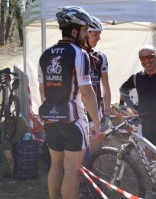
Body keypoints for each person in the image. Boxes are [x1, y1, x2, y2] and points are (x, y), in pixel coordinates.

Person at [38, 7, 102, 199]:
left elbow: (42, 91)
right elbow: (87, 92)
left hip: (50, 119)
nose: (86, 35)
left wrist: (50, 113)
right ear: (74, 31)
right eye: (84, 30)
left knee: (55, 165)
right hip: (74, 121)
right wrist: (97, 124)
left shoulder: (45, 54)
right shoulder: (79, 53)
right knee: (71, 170)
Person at [120, 45, 156, 149]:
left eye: (150, 57)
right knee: (148, 155)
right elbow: (123, 90)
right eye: (143, 58)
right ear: (140, 60)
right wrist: (131, 106)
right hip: (144, 123)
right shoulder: (137, 77)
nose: (147, 60)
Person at [82, 16, 111, 154]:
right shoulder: (75, 55)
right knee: (78, 154)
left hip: (96, 111)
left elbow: (105, 85)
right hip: (77, 111)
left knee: (95, 153)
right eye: (96, 34)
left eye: (100, 34)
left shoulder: (100, 57)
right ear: (86, 33)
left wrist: (107, 112)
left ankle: (92, 174)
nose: (99, 38)